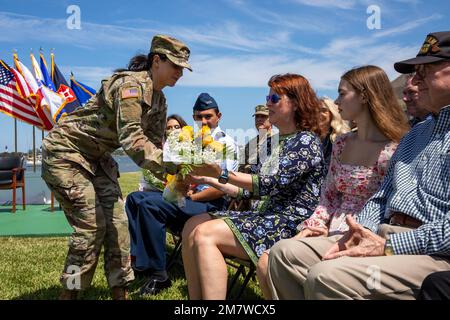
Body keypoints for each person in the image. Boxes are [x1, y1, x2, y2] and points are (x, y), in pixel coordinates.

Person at [267, 31, 450, 300]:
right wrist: (357, 233)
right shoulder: (415, 135)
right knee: (285, 254)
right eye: (415, 72)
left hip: (432, 252)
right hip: (382, 232)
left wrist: (389, 245)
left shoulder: (395, 142)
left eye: (426, 70)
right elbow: (381, 197)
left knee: (327, 277)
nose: (414, 80)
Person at [41, 34, 192, 300]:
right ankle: (70, 294)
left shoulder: (160, 101)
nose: (180, 73)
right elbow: (133, 140)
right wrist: (174, 167)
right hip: (66, 152)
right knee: (91, 226)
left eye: (183, 68)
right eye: (175, 65)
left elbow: (156, 146)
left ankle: (119, 293)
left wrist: (179, 174)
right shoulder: (128, 87)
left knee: (118, 225)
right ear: (156, 60)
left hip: (98, 159)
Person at [257, 66, 409, 299]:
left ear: (364, 96)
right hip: (329, 228)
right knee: (272, 258)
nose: (336, 101)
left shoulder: (395, 148)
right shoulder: (342, 143)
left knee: (289, 262)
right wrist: (312, 226)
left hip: (365, 233)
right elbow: (328, 198)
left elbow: (390, 205)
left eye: (342, 93)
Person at [180, 73, 326, 300]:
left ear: (296, 103)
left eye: (275, 98)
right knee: (191, 224)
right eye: (268, 97)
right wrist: (208, 179)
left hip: (286, 222)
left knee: (205, 234)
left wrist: (222, 173)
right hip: (262, 215)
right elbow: (247, 190)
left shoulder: (306, 141)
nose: (268, 103)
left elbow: (269, 183)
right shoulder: (271, 142)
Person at [125, 93, 238, 296]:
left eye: (207, 116)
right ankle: (141, 262)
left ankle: (160, 275)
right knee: (135, 198)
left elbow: (224, 187)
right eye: (197, 116)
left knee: (151, 206)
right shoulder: (193, 141)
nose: (202, 121)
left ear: (218, 116)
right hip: (190, 197)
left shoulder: (227, 143)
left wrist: (191, 197)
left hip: (212, 205)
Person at [139, 114, 188, 192]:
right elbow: (148, 175)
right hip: (156, 191)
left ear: (183, 129)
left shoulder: (190, 150)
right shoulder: (158, 151)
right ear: (165, 132)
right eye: (169, 128)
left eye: (177, 127)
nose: (173, 130)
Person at [318, 97, 351, 172]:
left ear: (333, 113)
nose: (319, 114)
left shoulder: (340, 137)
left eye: (323, 110)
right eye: (316, 110)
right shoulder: (309, 137)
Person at [239, 104, 273, 173]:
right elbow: (241, 170)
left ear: (271, 118)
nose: (259, 119)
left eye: (263, 116)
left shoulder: (277, 141)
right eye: (257, 117)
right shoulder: (250, 144)